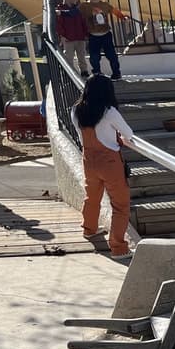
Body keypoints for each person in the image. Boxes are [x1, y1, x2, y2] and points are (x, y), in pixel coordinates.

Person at [72, 74, 134, 260]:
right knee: (120, 204)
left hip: (88, 159)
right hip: (110, 163)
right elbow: (128, 133)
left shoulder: (76, 110)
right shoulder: (109, 112)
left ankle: (89, 229)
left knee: (92, 196)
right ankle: (118, 248)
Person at [79, 0, 126, 80]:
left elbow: (114, 10)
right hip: (93, 35)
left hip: (106, 34)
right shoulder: (84, 6)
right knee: (94, 57)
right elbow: (77, 13)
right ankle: (97, 73)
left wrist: (122, 16)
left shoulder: (105, 4)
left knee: (112, 55)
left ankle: (116, 73)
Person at [55, 0, 89, 77]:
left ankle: (84, 72)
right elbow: (59, 24)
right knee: (69, 57)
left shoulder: (77, 9)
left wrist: (86, 33)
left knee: (81, 56)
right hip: (68, 38)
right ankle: (69, 74)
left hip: (80, 37)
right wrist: (62, 35)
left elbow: (83, 21)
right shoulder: (60, 9)